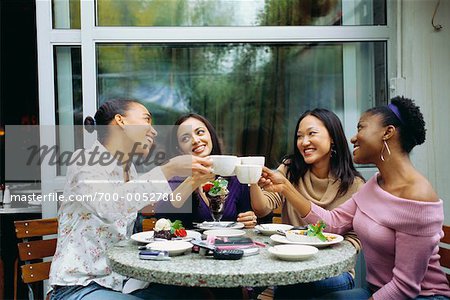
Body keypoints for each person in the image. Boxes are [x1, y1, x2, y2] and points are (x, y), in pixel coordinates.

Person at [260, 97, 450, 299]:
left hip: (422, 296)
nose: (353, 138)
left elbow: (405, 287)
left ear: (388, 132)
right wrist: (286, 188)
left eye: (361, 128)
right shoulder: (375, 185)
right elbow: (332, 223)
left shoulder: (418, 196)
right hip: (376, 290)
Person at [49, 99, 212, 300]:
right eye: (146, 120)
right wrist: (169, 169)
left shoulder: (128, 170)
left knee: (194, 294)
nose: (153, 131)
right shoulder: (84, 160)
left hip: (122, 283)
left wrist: (194, 180)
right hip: (80, 286)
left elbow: (166, 202)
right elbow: (108, 206)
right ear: (121, 121)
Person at [250, 108, 365, 298]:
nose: (304, 142)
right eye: (299, 136)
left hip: (334, 273)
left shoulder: (354, 185)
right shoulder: (291, 169)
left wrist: (287, 188)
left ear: (333, 138)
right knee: (293, 283)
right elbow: (262, 209)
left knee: (293, 285)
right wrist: (252, 179)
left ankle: (274, 288)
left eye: (312, 134)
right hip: (291, 265)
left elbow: (354, 241)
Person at [135, 113, 260, 231]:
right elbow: (165, 218)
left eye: (200, 132)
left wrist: (248, 219)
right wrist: (193, 180)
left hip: (228, 247)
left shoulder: (234, 176)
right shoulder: (174, 178)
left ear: (210, 135)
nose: (195, 140)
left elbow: (246, 215)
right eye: (185, 138)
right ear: (179, 148)